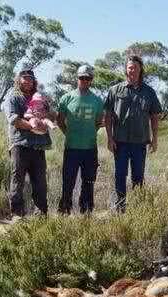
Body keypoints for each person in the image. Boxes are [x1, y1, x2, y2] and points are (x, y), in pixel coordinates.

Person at [104, 55, 163, 212]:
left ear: (140, 70)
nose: (133, 70)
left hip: (140, 142)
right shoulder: (115, 90)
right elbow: (108, 116)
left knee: (138, 177)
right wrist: (109, 138)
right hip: (120, 142)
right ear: (126, 69)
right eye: (130, 67)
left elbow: (154, 116)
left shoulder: (149, 92)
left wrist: (155, 139)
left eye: (136, 67)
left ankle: (138, 208)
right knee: (120, 175)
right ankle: (120, 207)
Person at [56, 65, 104, 214]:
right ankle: (64, 211)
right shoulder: (66, 98)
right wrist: (68, 133)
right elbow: (60, 120)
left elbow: (97, 123)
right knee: (68, 182)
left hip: (90, 149)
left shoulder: (97, 101)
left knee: (88, 182)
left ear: (91, 80)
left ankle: (86, 212)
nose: (84, 80)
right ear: (77, 78)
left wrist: (89, 133)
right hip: (71, 148)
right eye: (82, 77)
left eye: (88, 78)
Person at [5, 69, 51, 218]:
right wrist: (32, 125)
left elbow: (49, 114)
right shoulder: (13, 98)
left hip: (38, 146)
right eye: (24, 78)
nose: (27, 81)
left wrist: (46, 120)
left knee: (40, 183)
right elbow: (14, 120)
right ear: (19, 80)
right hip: (20, 145)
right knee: (18, 180)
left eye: (30, 79)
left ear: (34, 81)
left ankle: (41, 215)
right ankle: (17, 214)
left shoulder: (39, 98)